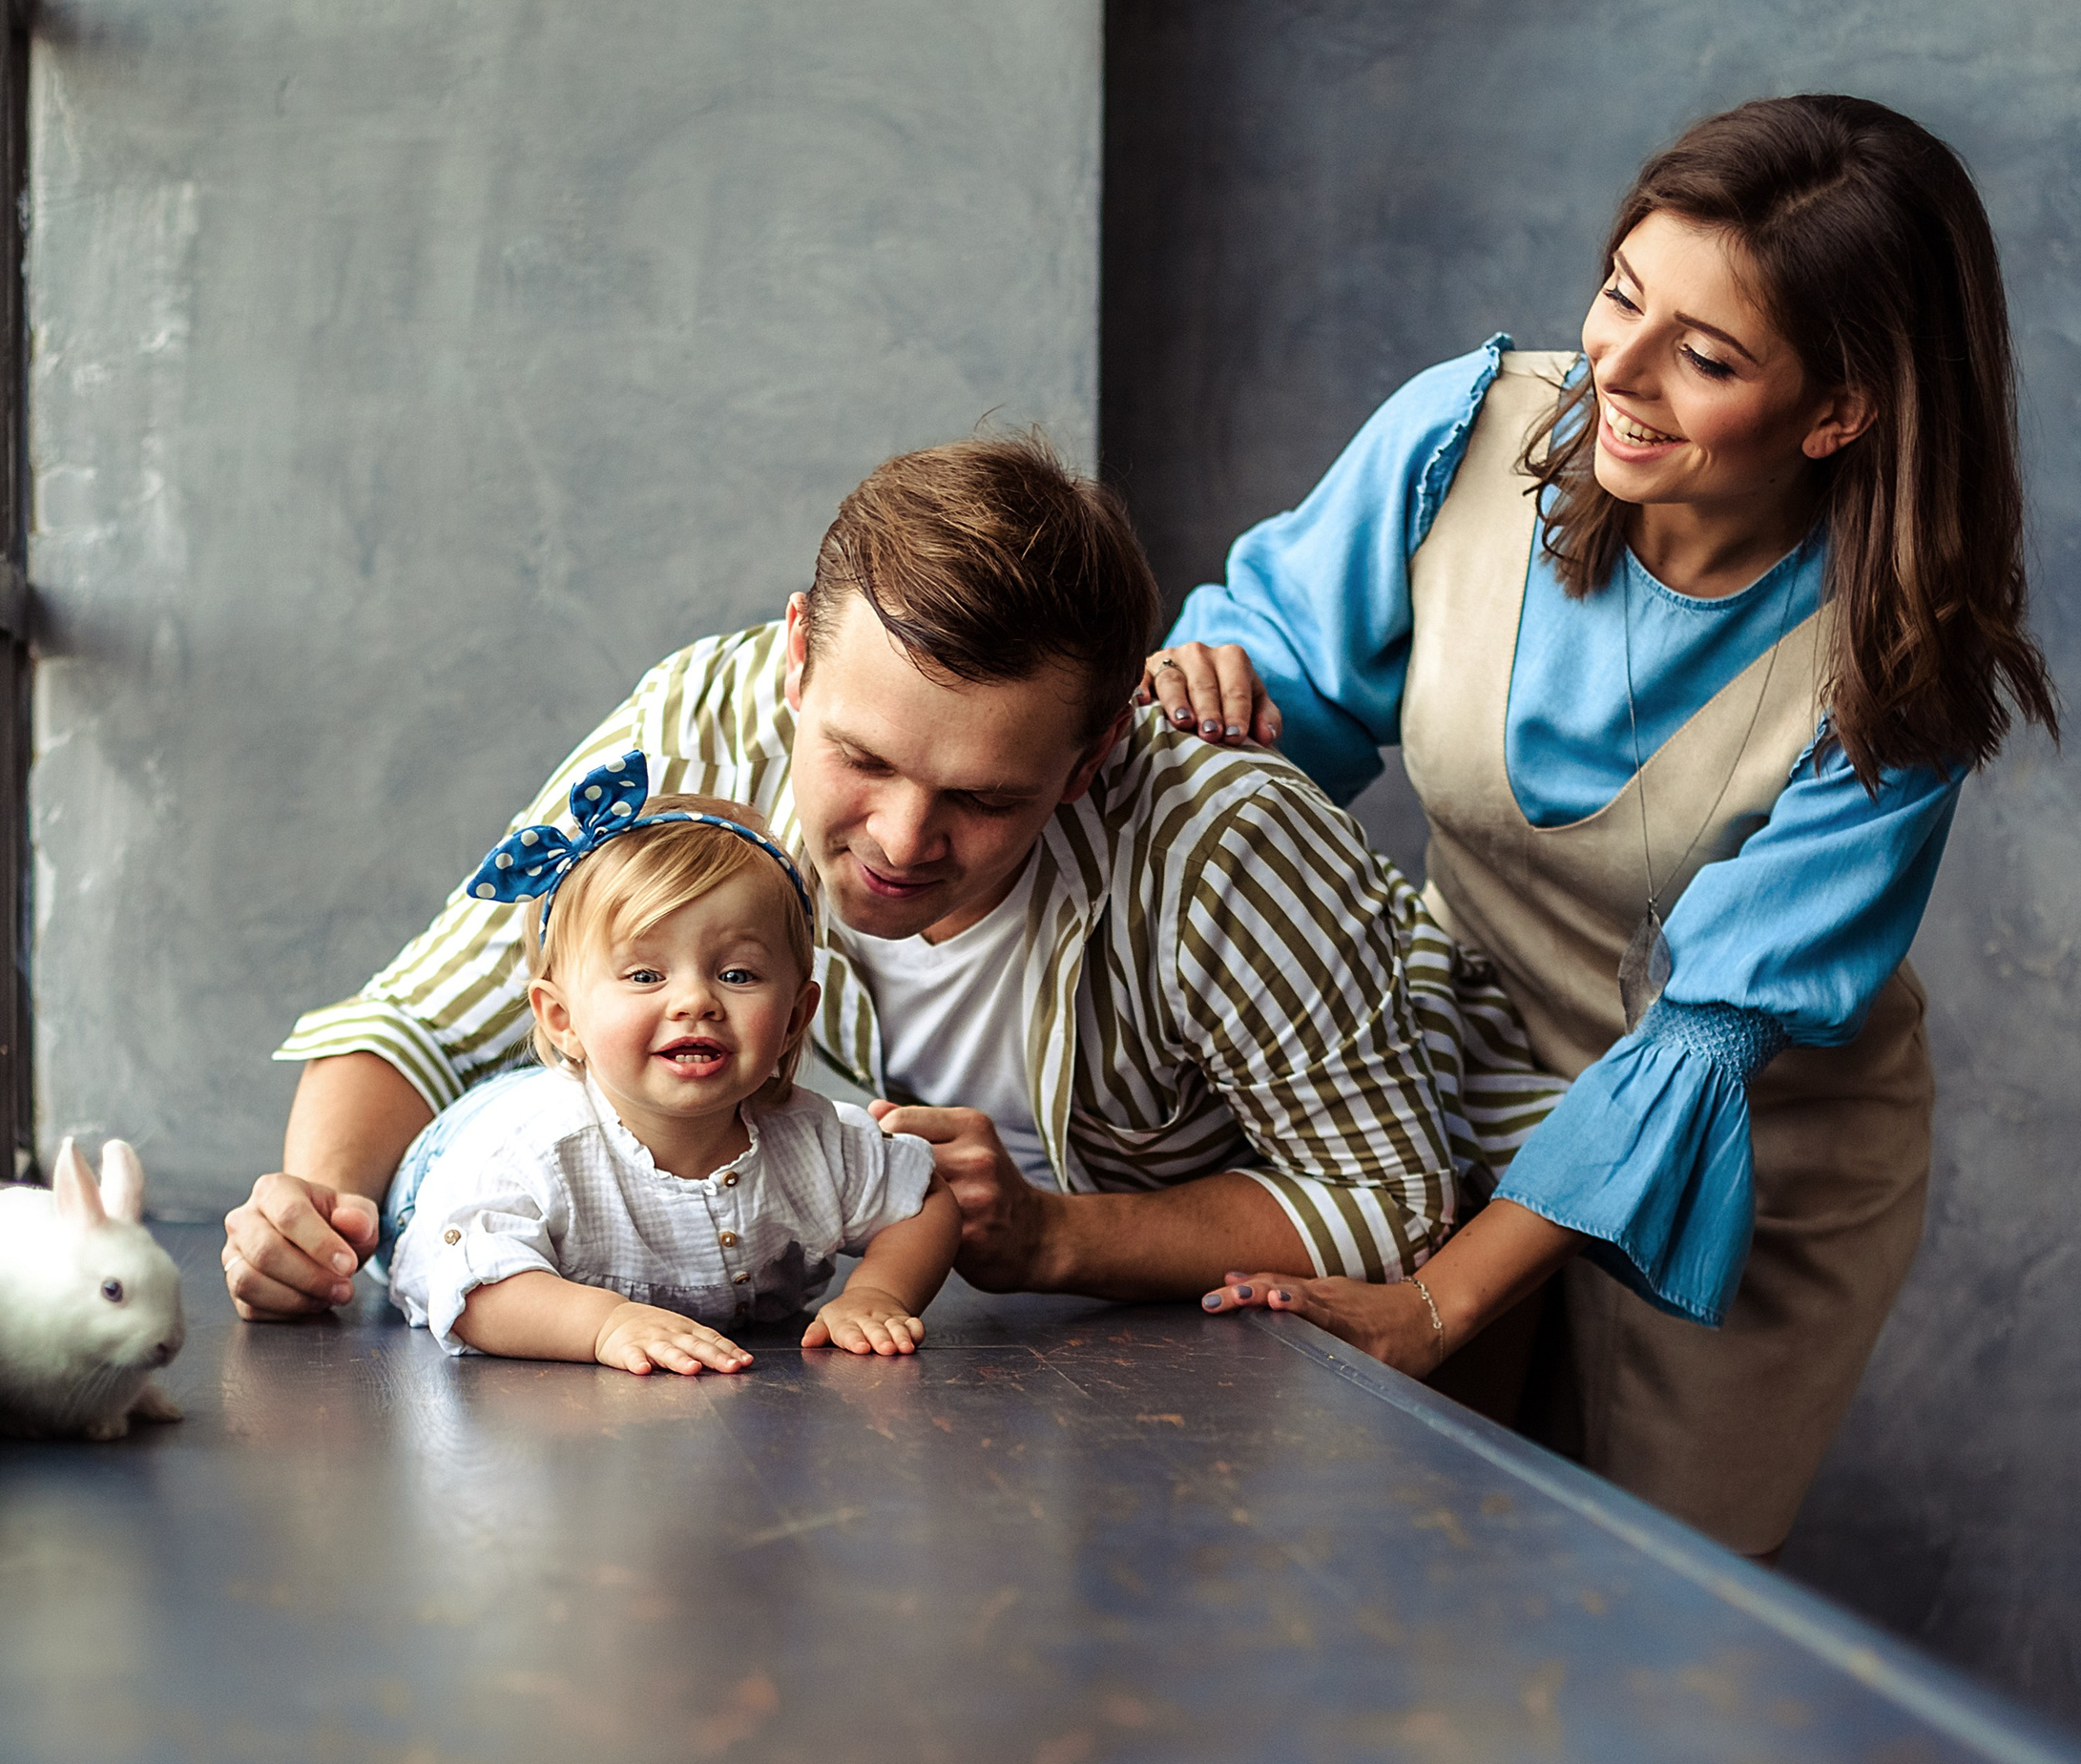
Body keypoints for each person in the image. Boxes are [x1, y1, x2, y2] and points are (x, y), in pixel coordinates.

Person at [1154, 95, 2057, 1554]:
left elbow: (1706, 1033)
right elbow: (1289, 696)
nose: (1614, 374)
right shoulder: (1468, 441)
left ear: (1839, 410)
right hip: (1454, 1065)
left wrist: (1437, 1301)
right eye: (1621, 296)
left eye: (1704, 357)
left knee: (1631, 1605)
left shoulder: (1897, 666)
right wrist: (1214, 690)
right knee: (1402, 1562)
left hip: (1748, 1165)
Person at [225, 433, 1562, 1337]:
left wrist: (1051, 1240)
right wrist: (317, 1212)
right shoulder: (701, 718)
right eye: (859, 759)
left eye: (986, 798)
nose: (903, 842)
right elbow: (420, 1013)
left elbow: (1391, 1201)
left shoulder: (1228, 841)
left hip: (1467, 1236)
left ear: (1097, 748)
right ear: (798, 659)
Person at [380, 767, 961, 1374]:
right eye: (645, 976)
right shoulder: (527, 1155)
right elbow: (472, 1290)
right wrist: (604, 1324)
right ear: (562, 1019)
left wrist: (878, 1293)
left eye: (737, 975)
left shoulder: (817, 1143)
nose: (694, 1001)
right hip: (454, 1152)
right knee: (478, 1181)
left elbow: (925, 1202)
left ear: (794, 1017)